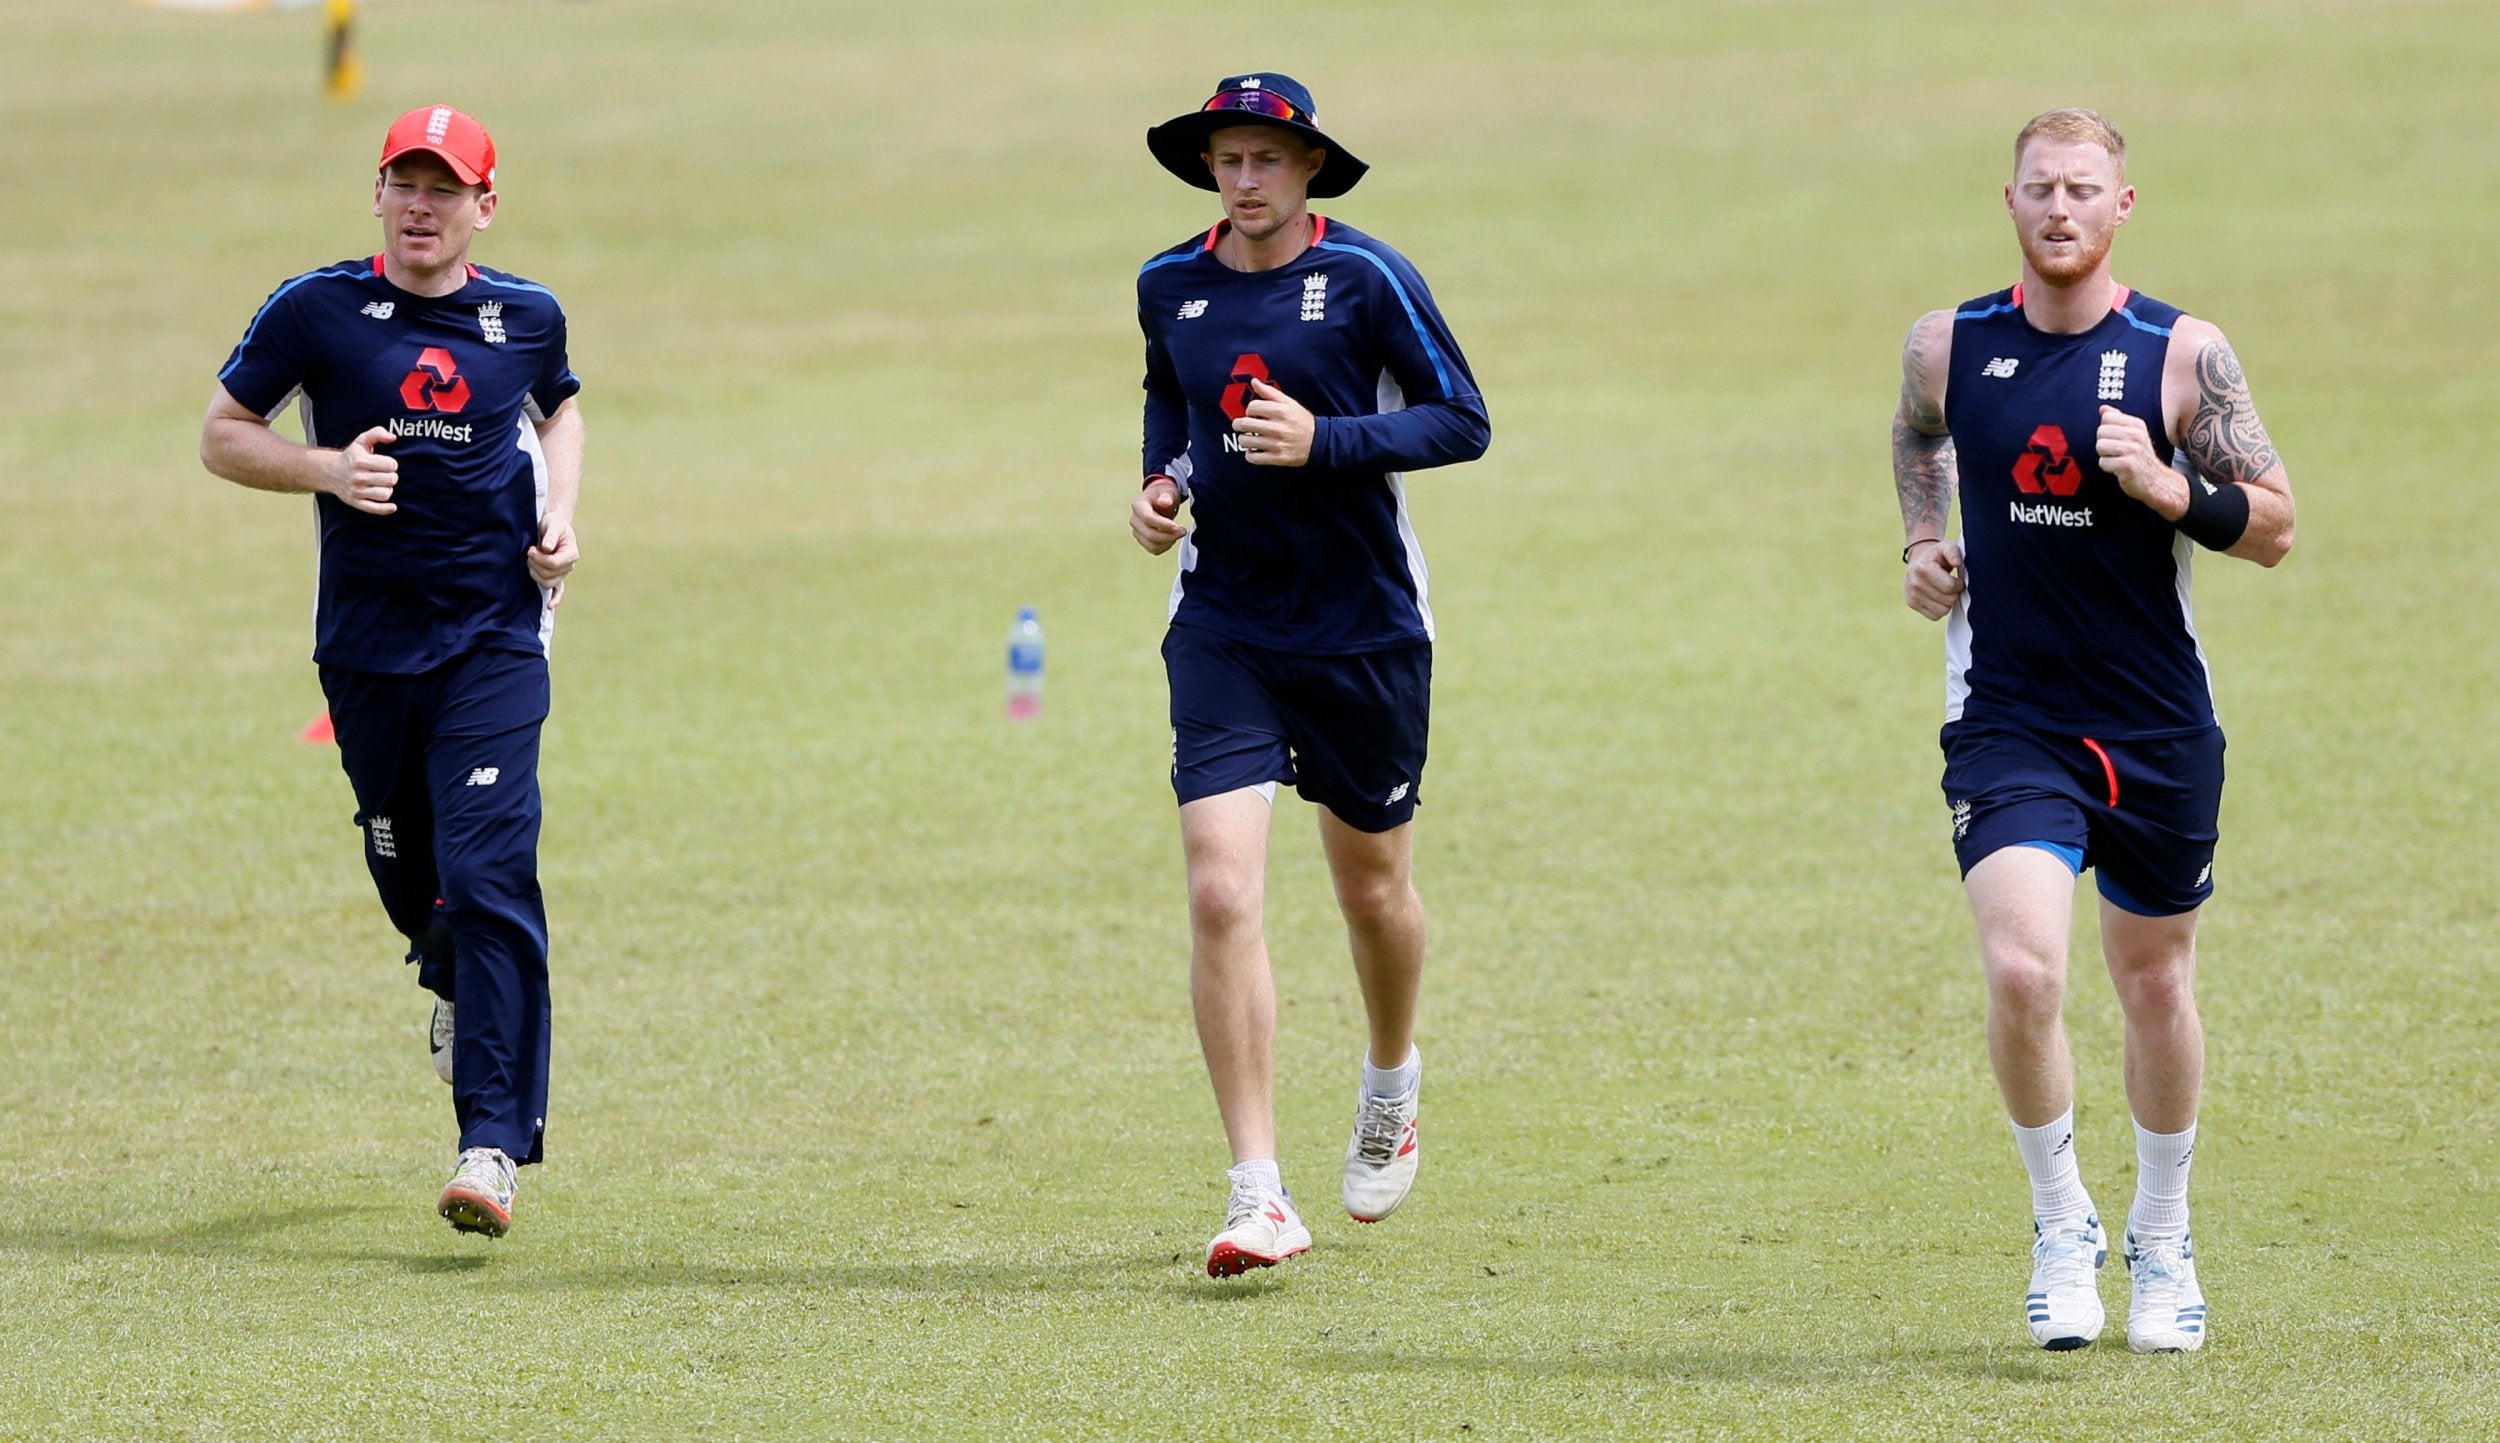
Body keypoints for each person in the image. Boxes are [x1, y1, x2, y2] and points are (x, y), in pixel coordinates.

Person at [1891, 109, 2295, 1351]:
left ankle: (2161, 1236)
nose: (2058, 208)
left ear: (2122, 207)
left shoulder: (2183, 356)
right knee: (2023, 968)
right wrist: (1921, 538)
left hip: (2157, 725)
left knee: (2153, 978)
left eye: (2082, 190)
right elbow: (1917, 436)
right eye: (2037, 189)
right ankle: (2060, 1223)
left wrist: (2174, 489)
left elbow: (2275, 523)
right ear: (2006, 202)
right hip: (2009, 717)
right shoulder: (1947, 345)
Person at [200, 105, 583, 1238]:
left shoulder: (526, 315)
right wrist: (323, 468)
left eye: (445, 188)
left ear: (485, 204)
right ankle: (448, 973)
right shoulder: (314, 309)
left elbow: (559, 407)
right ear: (378, 196)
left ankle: (492, 1145)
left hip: (495, 637)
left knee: (488, 873)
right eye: (403, 185)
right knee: (410, 876)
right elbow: (223, 431)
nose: (422, 207)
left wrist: (562, 517)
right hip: (365, 645)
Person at [1130, 73, 1491, 1277]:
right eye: (1228, 160)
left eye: (1267, 162)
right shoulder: (1166, 284)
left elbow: (1461, 419)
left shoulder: (1370, 279)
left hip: (1364, 631)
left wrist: (1324, 443)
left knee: (1372, 891)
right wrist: (1163, 484)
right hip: (1225, 626)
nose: (1245, 181)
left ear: (1309, 171)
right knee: (1221, 891)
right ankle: (1256, 1192)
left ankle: (1391, 1077)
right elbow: (1168, 400)